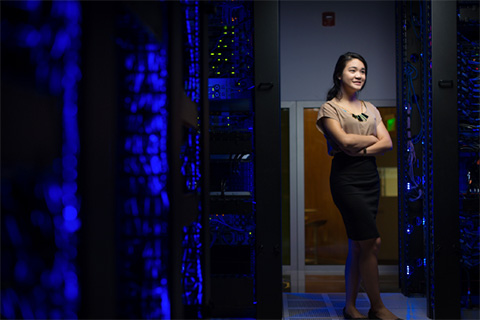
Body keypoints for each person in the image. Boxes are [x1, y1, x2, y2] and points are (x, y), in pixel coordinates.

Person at [316, 52, 401, 320]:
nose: (359, 75)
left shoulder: (371, 108)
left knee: (358, 245)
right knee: (371, 242)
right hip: (346, 179)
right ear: (339, 74)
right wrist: (366, 140)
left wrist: (359, 148)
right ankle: (377, 307)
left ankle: (350, 307)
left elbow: (387, 143)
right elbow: (344, 142)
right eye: (353, 70)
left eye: (362, 71)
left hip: (369, 177)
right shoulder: (329, 109)